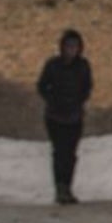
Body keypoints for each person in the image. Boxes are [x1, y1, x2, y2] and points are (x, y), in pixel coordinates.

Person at [35, 28, 92, 205]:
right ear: (62, 47)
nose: (71, 50)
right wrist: (53, 100)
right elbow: (42, 85)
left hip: (74, 116)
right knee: (59, 152)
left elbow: (87, 87)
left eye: (75, 46)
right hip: (55, 116)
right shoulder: (53, 65)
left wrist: (78, 102)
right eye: (68, 46)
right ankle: (60, 188)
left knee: (71, 154)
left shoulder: (83, 66)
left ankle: (67, 187)